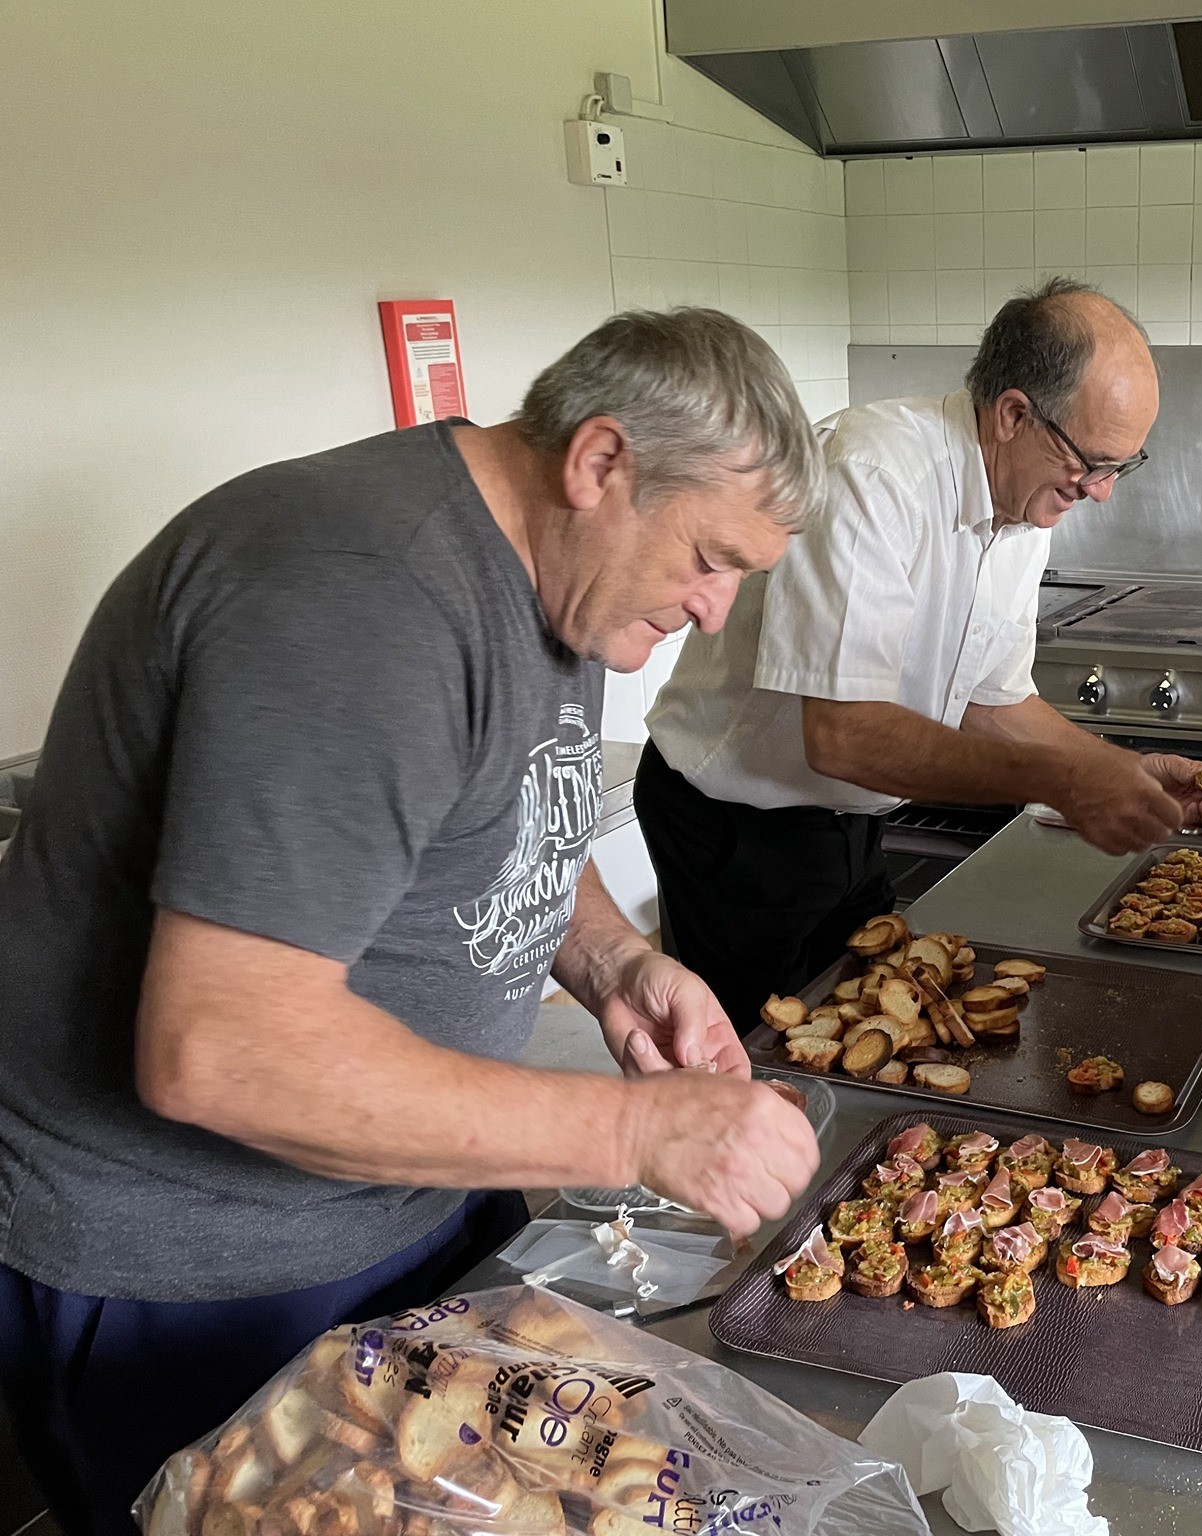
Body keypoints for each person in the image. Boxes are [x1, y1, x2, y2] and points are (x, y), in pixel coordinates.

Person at [0, 307, 824, 1536]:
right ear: (600, 463)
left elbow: (510, 818)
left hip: (415, 1202)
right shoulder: (357, 593)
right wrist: (636, 1131)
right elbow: (224, 1051)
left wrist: (613, 961)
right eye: (710, 558)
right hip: (201, 1271)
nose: (714, 611)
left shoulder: (558, 573)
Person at [638, 277, 1202, 1027]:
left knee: (869, 1027)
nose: (1102, 491)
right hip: (736, 832)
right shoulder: (874, 473)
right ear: (1015, 414)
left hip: (851, 826)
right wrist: (1068, 781)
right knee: (752, 1069)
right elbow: (844, 734)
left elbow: (994, 700)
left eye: (1121, 466)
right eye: (1095, 463)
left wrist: (1114, 766)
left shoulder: (1024, 502)